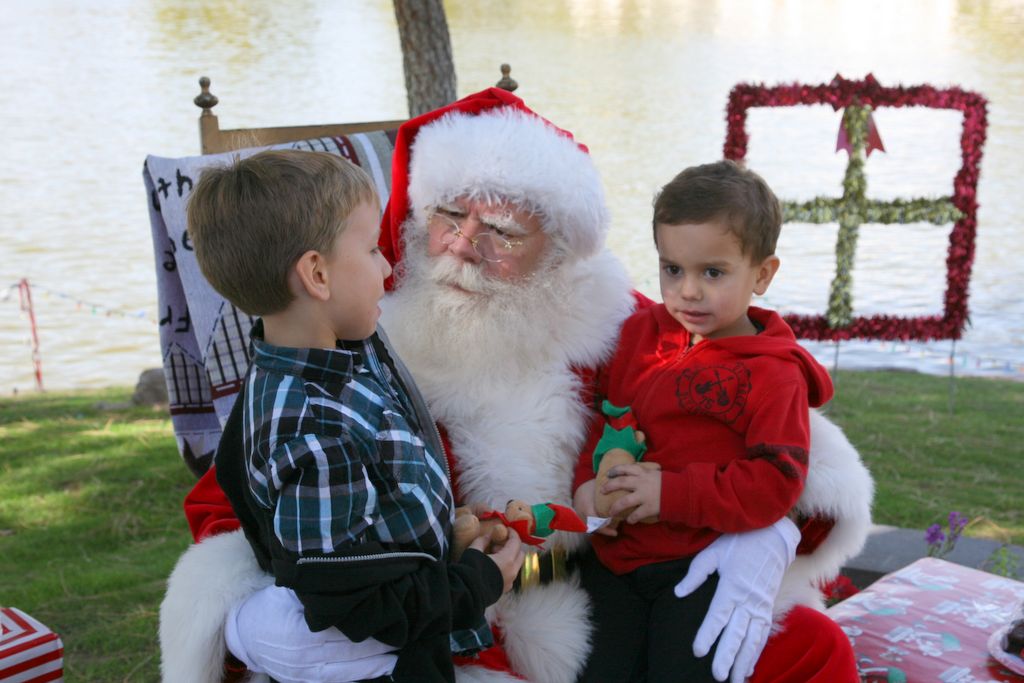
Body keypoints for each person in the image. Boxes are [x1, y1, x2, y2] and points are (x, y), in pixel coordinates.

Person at [160, 89, 873, 683]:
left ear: (559, 251)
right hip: (431, 616)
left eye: (502, 227)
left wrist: (771, 531)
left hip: (595, 585)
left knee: (811, 650)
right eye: (446, 216)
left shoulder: (610, 322)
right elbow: (241, 496)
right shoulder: (360, 329)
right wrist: (251, 612)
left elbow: (755, 399)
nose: (466, 244)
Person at [182, 149, 524, 682]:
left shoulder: (342, 347)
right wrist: (477, 582)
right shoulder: (309, 430)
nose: (387, 267)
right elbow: (360, 605)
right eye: (370, 250)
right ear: (317, 274)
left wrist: (437, 539)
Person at [572, 160, 841, 682]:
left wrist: (669, 494)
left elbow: (774, 483)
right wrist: (589, 486)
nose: (688, 291)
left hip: (697, 567)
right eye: (672, 269)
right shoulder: (638, 337)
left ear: (762, 274)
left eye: (712, 272)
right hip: (614, 561)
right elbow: (608, 420)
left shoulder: (772, 375)